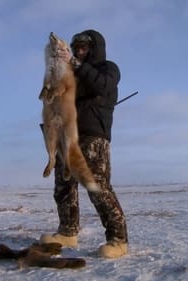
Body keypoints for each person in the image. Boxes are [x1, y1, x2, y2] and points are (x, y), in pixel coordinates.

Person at [39, 30, 128, 258]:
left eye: (84, 48)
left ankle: (118, 239)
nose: (79, 51)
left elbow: (103, 85)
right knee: (64, 185)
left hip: (92, 135)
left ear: (94, 49)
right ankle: (68, 232)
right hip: (66, 134)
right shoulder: (72, 71)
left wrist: (77, 64)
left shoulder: (108, 68)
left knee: (96, 186)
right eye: (76, 47)